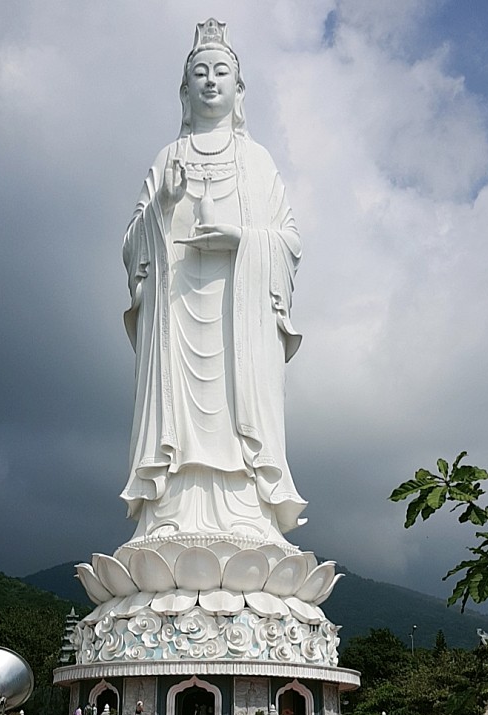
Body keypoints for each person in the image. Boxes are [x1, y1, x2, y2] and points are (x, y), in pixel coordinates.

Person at [121, 18, 306, 545]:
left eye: (221, 71)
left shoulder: (257, 161)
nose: (210, 81)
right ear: (184, 90)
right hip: (178, 316)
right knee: (176, 418)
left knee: (236, 415)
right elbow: (131, 245)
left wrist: (242, 239)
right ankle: (171, 511)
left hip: (238, 321)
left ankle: (247, 514)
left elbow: (289, 240)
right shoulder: (166, 158)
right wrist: (163, 206)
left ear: (238, 87)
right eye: (199, 73)